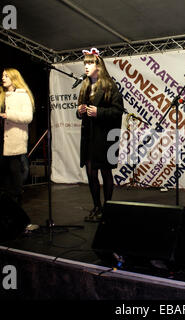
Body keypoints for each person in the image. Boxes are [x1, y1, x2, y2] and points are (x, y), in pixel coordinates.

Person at [76, 48, 123, 221]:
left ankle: (108, 207)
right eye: (85, 63)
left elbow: (118, 111)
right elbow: (81, 111)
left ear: (99, 65)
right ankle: (96, 206)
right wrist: (79, 111)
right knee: (90, 173)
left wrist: (99, 112)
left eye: (90, 63)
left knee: (105, 172)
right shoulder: (85, 86)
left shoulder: (109, 86)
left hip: (104, 137)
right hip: (89, 137)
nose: (86, 67)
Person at [0, 68, 34, 206]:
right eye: (2, 76)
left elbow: (28, 117)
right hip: (1, 139)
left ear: (14, 78)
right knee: (5, 173)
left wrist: (10, 115)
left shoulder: (22, 95)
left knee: (15, 171)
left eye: (6, 76)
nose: (3, 78)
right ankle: (7, 205)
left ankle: (16, 201)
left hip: (15, 140)